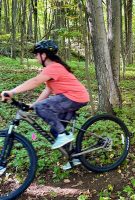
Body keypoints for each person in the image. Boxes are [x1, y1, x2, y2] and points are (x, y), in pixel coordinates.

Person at [1, 40, 90, 169]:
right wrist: (34, 104)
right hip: (71, 98)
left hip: (74, 97)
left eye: (36, 54)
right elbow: (47, 90)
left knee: (45, 112)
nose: (35, 57)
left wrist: (12, 91)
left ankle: (63, 135)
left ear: (44, 55)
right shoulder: (51, 69)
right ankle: (75, 158)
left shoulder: (54, 67)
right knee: (55, 129)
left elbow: (35, 81)